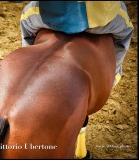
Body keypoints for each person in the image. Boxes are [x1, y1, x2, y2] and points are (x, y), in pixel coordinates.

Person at [20, 1, 134, 159]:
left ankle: (31, 65)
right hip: (98, 21)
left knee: (25, 19)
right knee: (126, 29)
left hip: (51, 18)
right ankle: (114, 74)